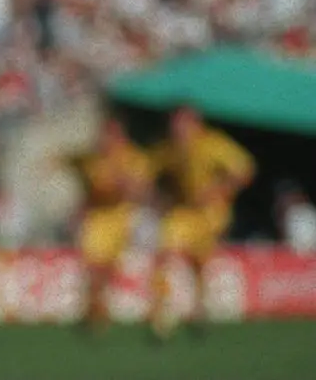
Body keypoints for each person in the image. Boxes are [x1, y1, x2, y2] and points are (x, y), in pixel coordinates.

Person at [147, 103, 254, 339]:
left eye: (183, 123)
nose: (178, 129)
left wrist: (217, 191)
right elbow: (151, 171)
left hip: (209, 215)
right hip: (182, 212)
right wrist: (160, 197)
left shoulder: (213, 144)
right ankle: (163, 315)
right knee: (164, 256)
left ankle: (200, 308)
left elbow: (245, 170)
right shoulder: (171, 149)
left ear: (196, 122)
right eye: (175, 123)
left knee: (198, 264)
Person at [67, 111, 151, 331]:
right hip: (97, 220)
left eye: (113, 134)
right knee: (92, 267)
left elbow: (140, 190)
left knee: (106, 269)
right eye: (106, 134)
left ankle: (98, 310)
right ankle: (96, 312)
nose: (108, 139)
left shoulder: (133, 158)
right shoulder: (96, 161)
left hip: (120, 219)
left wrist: (124, 186)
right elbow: (91, 190)